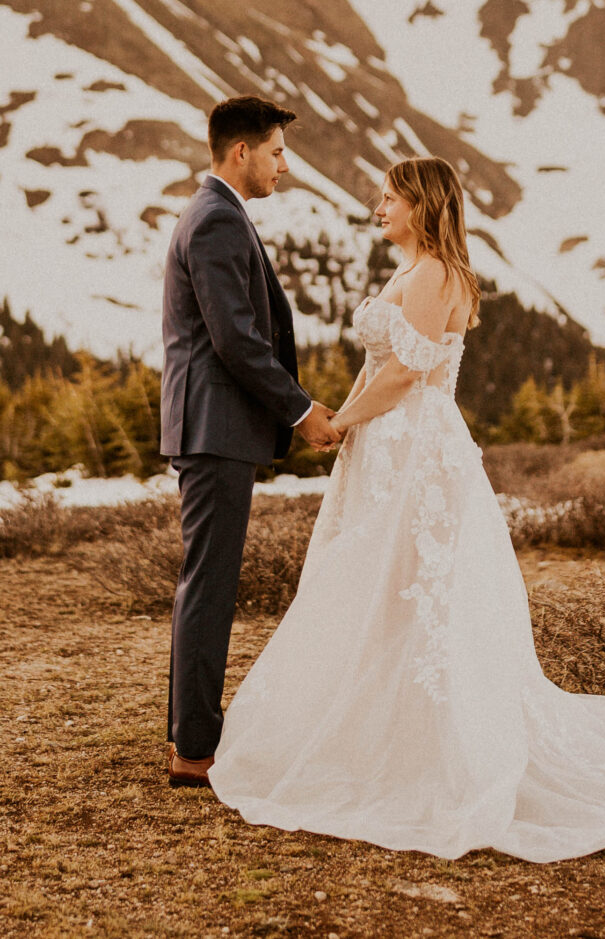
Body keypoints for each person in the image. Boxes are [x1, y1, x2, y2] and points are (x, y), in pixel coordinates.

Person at [205, 156, 605, 860]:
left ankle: (426, 743)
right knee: (382, 588)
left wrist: (339, 422)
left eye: (390, 197)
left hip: (414, 447)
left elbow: (402, 374)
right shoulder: (417, 269)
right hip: (392, 449)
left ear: (423, 205)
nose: (377, 204)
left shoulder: (436, 275)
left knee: (415, 589)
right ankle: (381, 730)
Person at [159, 94, 342, 788]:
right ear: (242, 152)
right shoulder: (214, 220)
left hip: (214, 426)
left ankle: (191, 733)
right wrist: (300, 411)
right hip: (215, 427)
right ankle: (194, 749)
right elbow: (235, 338)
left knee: (205, 583)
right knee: (208, 585)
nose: (283, 166)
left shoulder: (216, 214)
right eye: (275, 152)